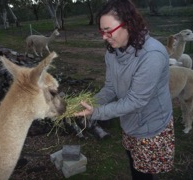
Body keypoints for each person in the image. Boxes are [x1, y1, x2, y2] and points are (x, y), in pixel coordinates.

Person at [74, 0, 175, 179]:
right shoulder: (112, 51)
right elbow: (111, 87)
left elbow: (136, 101)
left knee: (144, 173)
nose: (104, 37)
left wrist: (96, 112)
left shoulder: (152, 55)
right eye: (102, 31)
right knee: (132, 162)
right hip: (129, 120)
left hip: (150, 125)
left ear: (128, 24)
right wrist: (90, 103)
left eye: (108, 31)